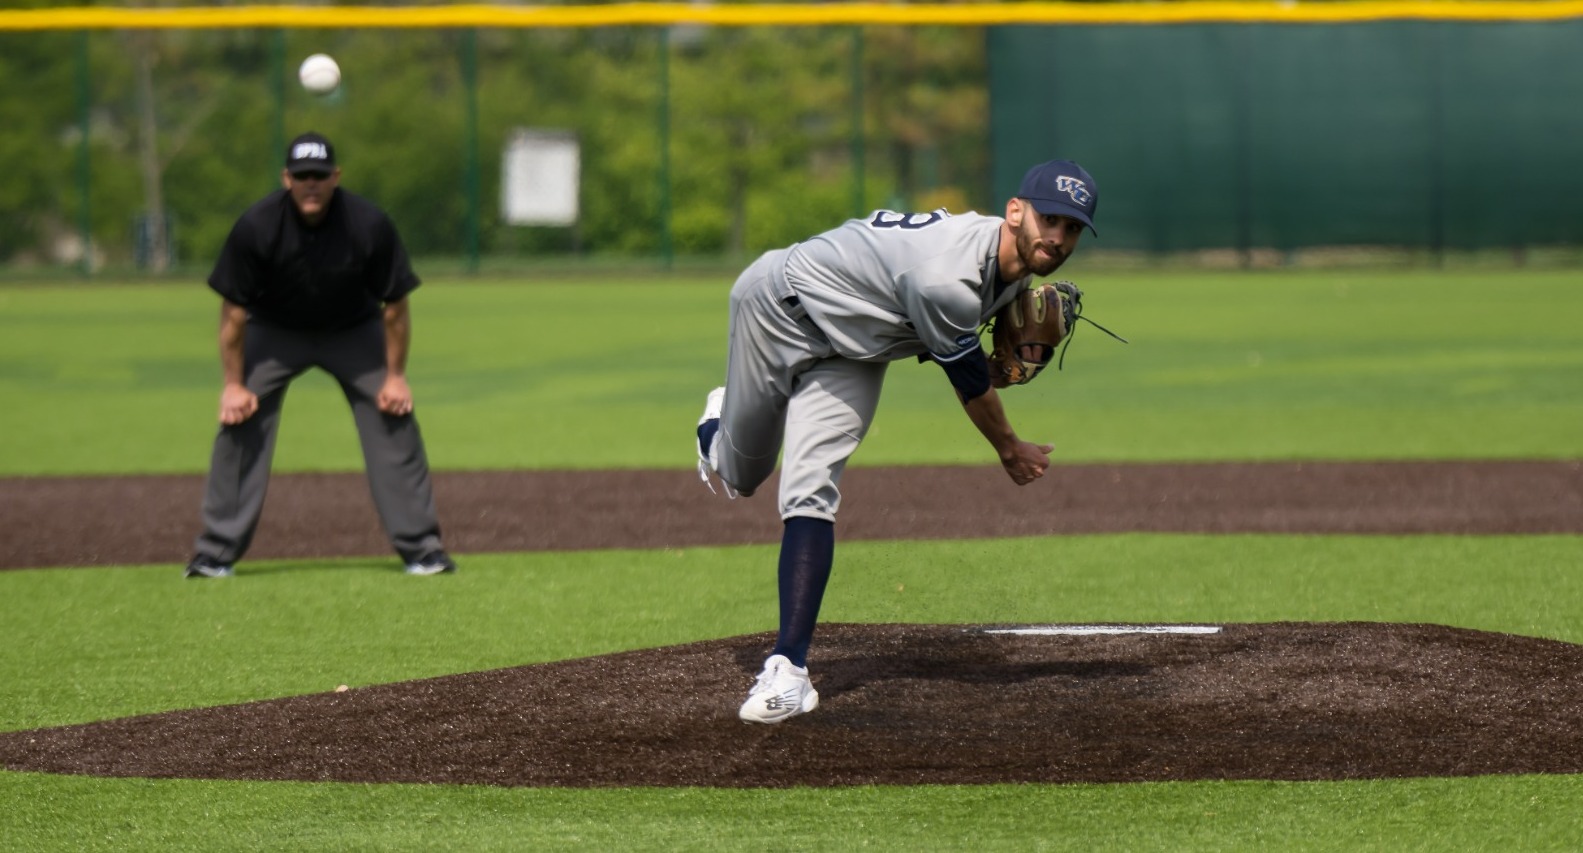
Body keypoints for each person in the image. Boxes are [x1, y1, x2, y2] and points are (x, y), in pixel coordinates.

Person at [695, 159, 1099, 722]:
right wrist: (1012, 449)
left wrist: (1008, 332)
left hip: (857, 353)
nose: (1057, 238)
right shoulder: (947, 279)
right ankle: (718, 423)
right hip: (778, 310)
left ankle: (788, 668)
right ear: (1015, 211)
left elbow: (991, 313)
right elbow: (970, 385)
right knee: (740, 476)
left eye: (1072, 228)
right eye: (1049, 219)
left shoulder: (1009, 264)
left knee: (809, 489)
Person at [183, 131, 455, 579]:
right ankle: (215, 553)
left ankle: (423, 550)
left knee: (394, 414)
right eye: (303, 175)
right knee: (239, 418)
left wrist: (396, 376)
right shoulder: (258, 226)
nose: (312, 183)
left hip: (353, 330)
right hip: (274, 331)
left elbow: (397, 307)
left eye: (321, 175)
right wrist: (233, 385)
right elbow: (233, 316)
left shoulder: (367, 224)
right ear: (286, 178)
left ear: (336, 177)